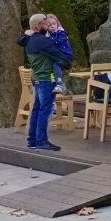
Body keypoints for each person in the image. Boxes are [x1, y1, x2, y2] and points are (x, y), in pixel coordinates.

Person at [20, 14, 73, 152]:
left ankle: (32, 141)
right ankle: (41, 141)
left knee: (37, 110)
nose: (48, 26)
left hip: (37, 79)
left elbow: (20, 40)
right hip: (47, 79)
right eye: (45, 24)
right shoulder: (43, 41)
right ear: (37, 26)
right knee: (45, 110)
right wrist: (67, 62)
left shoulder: (29, 40)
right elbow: (61, 57)